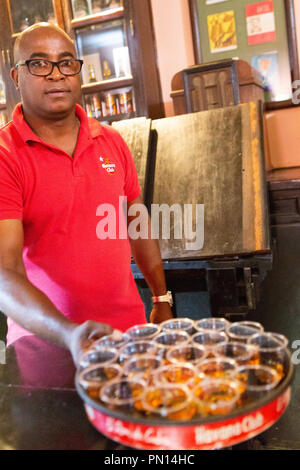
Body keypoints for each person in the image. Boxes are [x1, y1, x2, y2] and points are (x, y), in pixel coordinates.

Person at [0, 23, 173, 365]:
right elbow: (4, 272)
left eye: (66, 63)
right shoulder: (6, 155)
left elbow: (138, 224)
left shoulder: (111, 141)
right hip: (45, 347)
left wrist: (162, 297)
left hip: (128, 333)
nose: (56, 75)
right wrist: (69, 334)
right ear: (16, 76)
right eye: (39, 64)